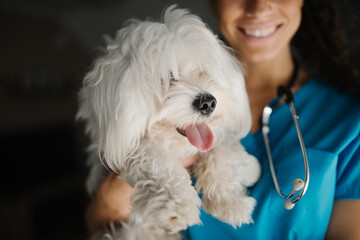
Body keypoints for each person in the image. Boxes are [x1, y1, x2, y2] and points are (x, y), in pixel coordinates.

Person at [86, 0, 360, 239]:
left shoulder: (348, 122)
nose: (259, 7)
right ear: (214, 2)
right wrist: (112, 197)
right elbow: (104, 223)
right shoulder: (137, 105)